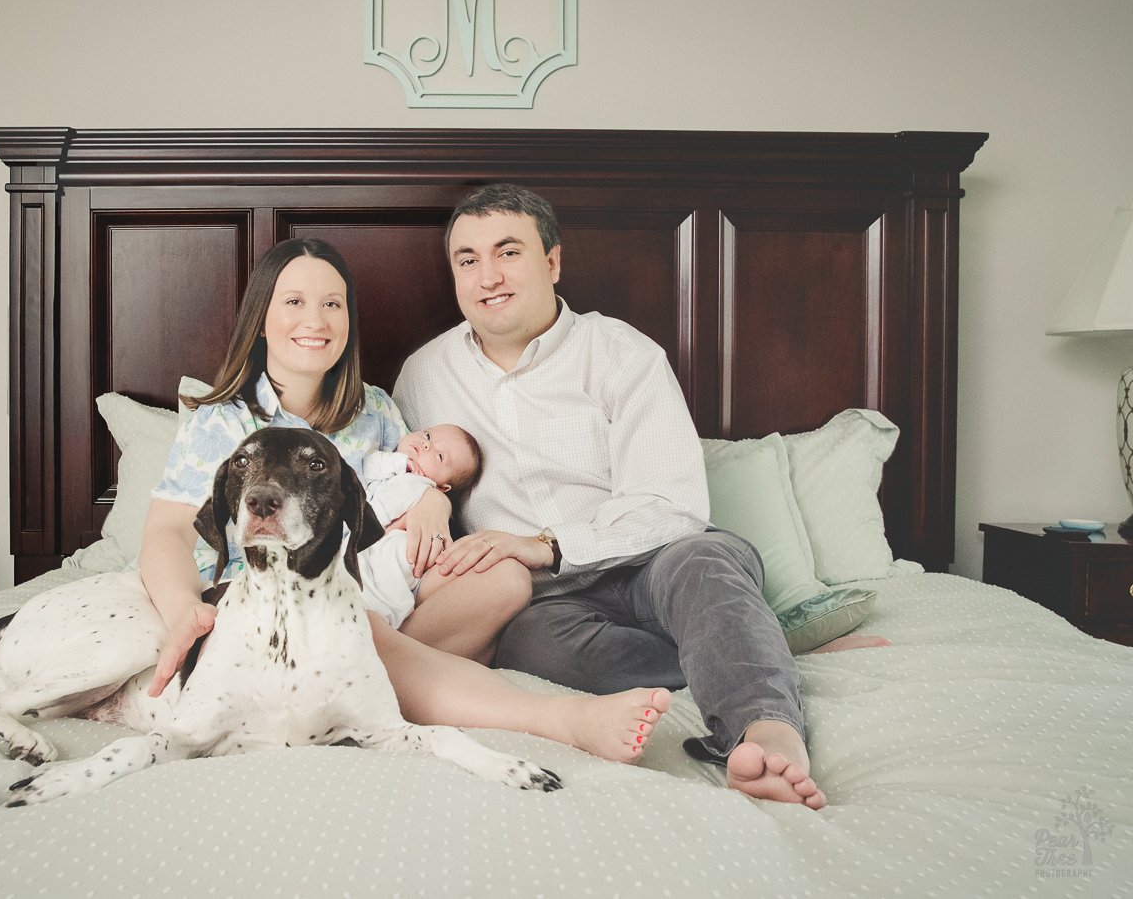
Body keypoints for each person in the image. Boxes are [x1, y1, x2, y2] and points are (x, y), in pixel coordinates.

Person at [394, 184, 888, 810]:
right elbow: (395, 478)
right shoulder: (424, 375)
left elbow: (673, 506)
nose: (487, 276)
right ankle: (758, 641)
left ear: (551, 262)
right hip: (545, 604)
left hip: (658, 560)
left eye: (508, 252)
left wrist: (546, 545)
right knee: (531, 646)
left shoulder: (622, 353)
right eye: (467, 260)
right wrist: (430, 501)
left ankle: (767, 730)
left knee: (706, 564)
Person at [139, 236, 671, 765]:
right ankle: (562, 721)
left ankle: (377, 676)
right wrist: (184, 608)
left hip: (373, 585)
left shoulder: (374, 408)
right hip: (270, 603)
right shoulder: (222, 421)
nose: (316, 320)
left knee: (505, 577)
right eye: (294, 302)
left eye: (332, 304)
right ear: (261, 319)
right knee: (353, 623)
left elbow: (414, 477)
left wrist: (432, 504)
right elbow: (166, 533)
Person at [361, 424, 486, 630]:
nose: (426, 445)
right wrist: (400, 462)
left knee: (398, 555)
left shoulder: (416, 485)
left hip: (379, 560)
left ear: (442, 487)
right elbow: (364, 465)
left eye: (440, 456)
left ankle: (376, 610)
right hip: (365, 551)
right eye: (427, 435)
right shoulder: (390, 464)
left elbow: (374, 518)